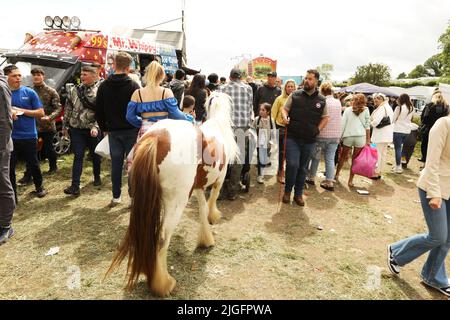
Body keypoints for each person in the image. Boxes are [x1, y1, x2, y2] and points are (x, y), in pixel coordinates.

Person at [387, 115, 450, 298]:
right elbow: (431, 162)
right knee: (438, 236)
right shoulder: (443, 124)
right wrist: (435, 193)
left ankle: (433, 277)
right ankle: (397, 254)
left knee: (447, 239)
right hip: (434, 187)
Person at [96, 51, 141, 206]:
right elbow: (138, 109)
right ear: (129, 67)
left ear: (114, 64)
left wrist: (104, 128)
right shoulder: (134, 85)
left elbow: (99, 111)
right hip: (131, 130)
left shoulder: (103, 86)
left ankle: (116, 197)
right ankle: (133, 198)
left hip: (113, 131)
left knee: (116, 165)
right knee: (132, 165)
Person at [281, 70, 329, 206]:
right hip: (292, 137)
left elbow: (326, 118)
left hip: (309, 140)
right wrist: (285, 117)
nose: (307, 81)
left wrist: (317, 129)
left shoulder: (321, 100)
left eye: (310, 79)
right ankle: (287, 191)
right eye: (306, 78)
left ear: (316, 82)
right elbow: (285, 109)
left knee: (303, 168)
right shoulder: (295, 95)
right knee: (292, 164)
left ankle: (298, 194)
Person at [5, 65, 47, 199]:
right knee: (10, 167)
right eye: (14, 76)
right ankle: (13, 195)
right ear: (6, 77)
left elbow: (40, 112)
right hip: (10, 137)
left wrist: (22, 111)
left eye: (19, 75)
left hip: (29, 135)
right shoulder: (4, 93)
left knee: (33, 163)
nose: (18, 78)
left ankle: (39, 187)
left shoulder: (29, 93)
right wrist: (9, 113)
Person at [126, 61, 193, 143]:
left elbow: (130, 116)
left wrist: (143, 123)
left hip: (145, 132)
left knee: (136, 155)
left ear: (146, 74)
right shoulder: (166, 92)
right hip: (163, 130)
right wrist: (189, 118)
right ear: (162, 75)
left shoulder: (137, 93)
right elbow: (176, 114)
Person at [63, 65, 102, 196]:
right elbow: (68, 108)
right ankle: (75, 186)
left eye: (85, 74)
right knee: (78, 156)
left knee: (95, 155)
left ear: (94, 76)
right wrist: (65, 127)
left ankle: (97, 176)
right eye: (81, 74)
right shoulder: (74, 90)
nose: (82, 77)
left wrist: (96, 126)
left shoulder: (100, 90)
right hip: (76, 129)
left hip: (92, 130)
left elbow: (102, 112)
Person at [219, 68, 253, 200]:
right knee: (238, 158)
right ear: (240, 77)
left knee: (223, 156)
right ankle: (233, 191)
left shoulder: (222, 89)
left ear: (230, 76)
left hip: (226, 127)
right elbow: (250, 107)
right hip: (242, 126)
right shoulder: (248, 89)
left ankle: (220, 189)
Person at [307, 81, 342, 191]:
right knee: (330, 158)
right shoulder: (338, 102)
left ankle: (311, 177)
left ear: (322, 91)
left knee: (315, 157)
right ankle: (329, 181)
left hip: (322, 134)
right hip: (335, 135)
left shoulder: (322, 101)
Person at [335, 94, 371, 188]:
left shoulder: (347, 110)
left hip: (348, 136)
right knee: (355, 160)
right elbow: (367, 126)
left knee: (343, 157)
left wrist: (340, 137)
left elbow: (343, 124)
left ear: (354, 100)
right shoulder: (366, 110)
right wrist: (368, 140)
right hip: (360, 137)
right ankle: (350, 180)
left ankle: (337, 174)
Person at [31, 67, 62, 174]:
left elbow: (58, 108)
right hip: (33, 126)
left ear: (43, 76)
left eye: (38, 75)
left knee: (49, 149)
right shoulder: (29, 91)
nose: (36, 77)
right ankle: (32, 170)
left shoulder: (51, 91)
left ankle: (53, 167)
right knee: (32, 150)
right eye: (34, 75)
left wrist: (50, 117)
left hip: (47, 125)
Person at [0, 69, 16, 244]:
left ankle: (6, 225)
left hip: (1, 146)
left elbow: (5, 120)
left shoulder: (0, 86)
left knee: (2, 185)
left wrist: (1, 146)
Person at [271, 79, 296, 184]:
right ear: (285, 87)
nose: (290, 88)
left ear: (295, 88)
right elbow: (273, 114)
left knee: (289, 152)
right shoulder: (279, 99)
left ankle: (283, 171)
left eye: (292, 86)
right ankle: (280, 172)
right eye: (288, 86)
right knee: (282, 152)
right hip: (280, 128)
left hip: (292, 129)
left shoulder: (297, 99)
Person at [419, 91, 449, 162]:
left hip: (429, 128)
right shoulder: (447, 107)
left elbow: (424, 118)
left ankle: (424, 159)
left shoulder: (429, 105)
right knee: (437, 146)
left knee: (425, 144)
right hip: (442, 129)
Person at [371, 93, 394, 180]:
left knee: (377, 154)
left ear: (382, 99)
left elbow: (376, 122)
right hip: (387, 135)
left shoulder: (382, 108)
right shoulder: (389, 107)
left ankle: (376, 173)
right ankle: (379, 171)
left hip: (380, 135)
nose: (375, 101)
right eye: (375, 99)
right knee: (383, 154)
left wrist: (369, 124)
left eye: (377, 99)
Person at [252, 103, 276, 184]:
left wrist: (272, 141)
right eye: (260, 109)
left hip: (268, 143)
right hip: (260, 144)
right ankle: (260, 175)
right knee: (261, 159)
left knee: (265, 158)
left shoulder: (271, 120)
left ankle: (264, 165)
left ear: (268, 112)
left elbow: (273, 131)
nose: (261, 111)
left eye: (263, 110)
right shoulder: (257, 119)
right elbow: (252, 130)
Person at [392, 93, 414, 174]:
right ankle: (398, 164)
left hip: (398, 130)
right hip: (407, 131)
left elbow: (393, 119)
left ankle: (398, 166)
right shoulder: (411, 108)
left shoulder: (399, 107)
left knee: (397, 149)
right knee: (402, 149)